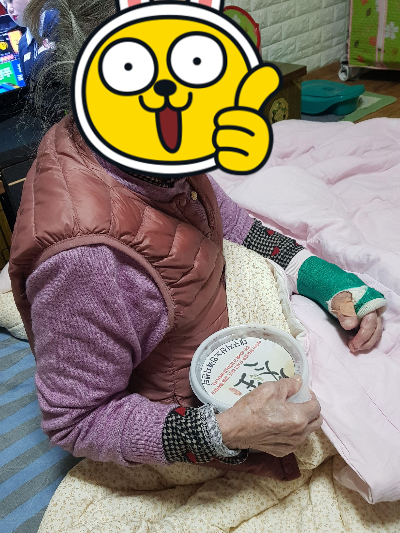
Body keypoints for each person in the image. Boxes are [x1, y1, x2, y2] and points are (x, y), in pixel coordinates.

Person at [8, 0, 386, 481]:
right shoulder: (90, 264)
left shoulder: (161, 150)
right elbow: (75, 421)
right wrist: (220, 431)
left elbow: (233, 225)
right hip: (183, 416)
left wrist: (326, 280)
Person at [3, 0, 57, 85]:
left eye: (11, 0)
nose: (9, 9)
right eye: (5, 5)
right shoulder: (22, 44)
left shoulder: (58, 20)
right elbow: (30, 88)